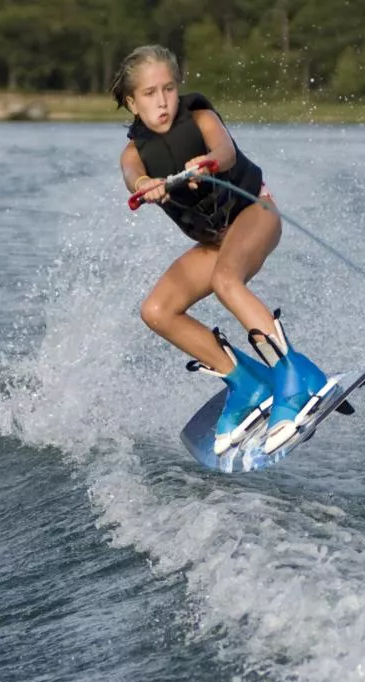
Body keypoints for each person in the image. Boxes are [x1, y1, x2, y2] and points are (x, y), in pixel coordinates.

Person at [113, 44, 331, 455]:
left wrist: (208, 162)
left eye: (169, 89)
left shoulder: (200, 117)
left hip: (256, 214)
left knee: (225, 280)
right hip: (214, 241)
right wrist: (146, 186)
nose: (162, 101)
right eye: (149, 93)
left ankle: (294, 375)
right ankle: (245, 383)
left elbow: (225, 151)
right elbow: (132, 176)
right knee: (157, 310)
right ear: (131, 101)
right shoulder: (134, 154)